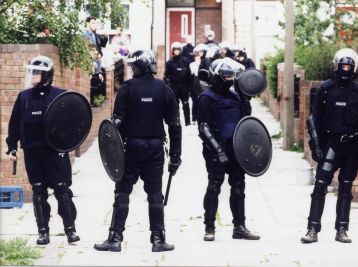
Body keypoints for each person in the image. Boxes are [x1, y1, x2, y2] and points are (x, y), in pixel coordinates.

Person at [94, 49, 182, 253]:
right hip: (155, 149)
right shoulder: (164, 89)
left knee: (122, 192)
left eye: (134, 65)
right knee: (155, 194)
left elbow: (116, 121)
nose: (132, 68)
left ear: (140, 66)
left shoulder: (127, 88)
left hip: (131, 147)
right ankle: (158, 240)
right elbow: (175, 125)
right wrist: (176, 156)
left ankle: (115, 238)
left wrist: (113, 153)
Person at [6, 55, 80, 245]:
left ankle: (70, 230)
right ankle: (43, 232)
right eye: (32, 72)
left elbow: (70, 123)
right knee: (38, 190)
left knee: (62, 189)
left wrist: (68, 143)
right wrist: (11, 146)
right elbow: (14, 124)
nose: (33, 76)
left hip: (54, 151)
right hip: (32, 150)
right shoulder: (23, 97)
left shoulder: (59, 95)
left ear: (47, 75)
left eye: (37, 73)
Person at [301, 48, 358, 244]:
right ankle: (312, 229)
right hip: (331, 144)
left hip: (352, 148)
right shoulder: (326, 89)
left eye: (349, 66)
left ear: (354, 67)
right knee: (320, 185)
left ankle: (342, 229)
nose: (346, 69)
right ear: (337, 66)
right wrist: (316, 145)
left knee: (346, 188)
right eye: (343, 65)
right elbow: (314, 118)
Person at [197, 57, 260, 242]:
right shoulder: (206, 98)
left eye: (231, 76)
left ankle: (239, 227)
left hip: (235, 148)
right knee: (214, 186)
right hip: (216, 148)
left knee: (239, 187)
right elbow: (203, 128)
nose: (230, 79)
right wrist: (218, 151)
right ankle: (209, 227)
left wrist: (245, 98)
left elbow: (246, 121)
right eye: (226, 76)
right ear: (216, 76)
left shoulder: (235, 96)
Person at [164, 42, 192, 126]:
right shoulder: (169, 62)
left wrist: (190, 86)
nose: (176, 51)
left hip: (184, 86)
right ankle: (176, 120)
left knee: (186, 104)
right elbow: (166, 75)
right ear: (173, 51)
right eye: (175, 50)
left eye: (178, 50)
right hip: (174, 86)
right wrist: (166, 85)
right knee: (175, 105)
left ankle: (188, 122)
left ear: (181, 50)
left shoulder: (186, 61)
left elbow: (190, 75)